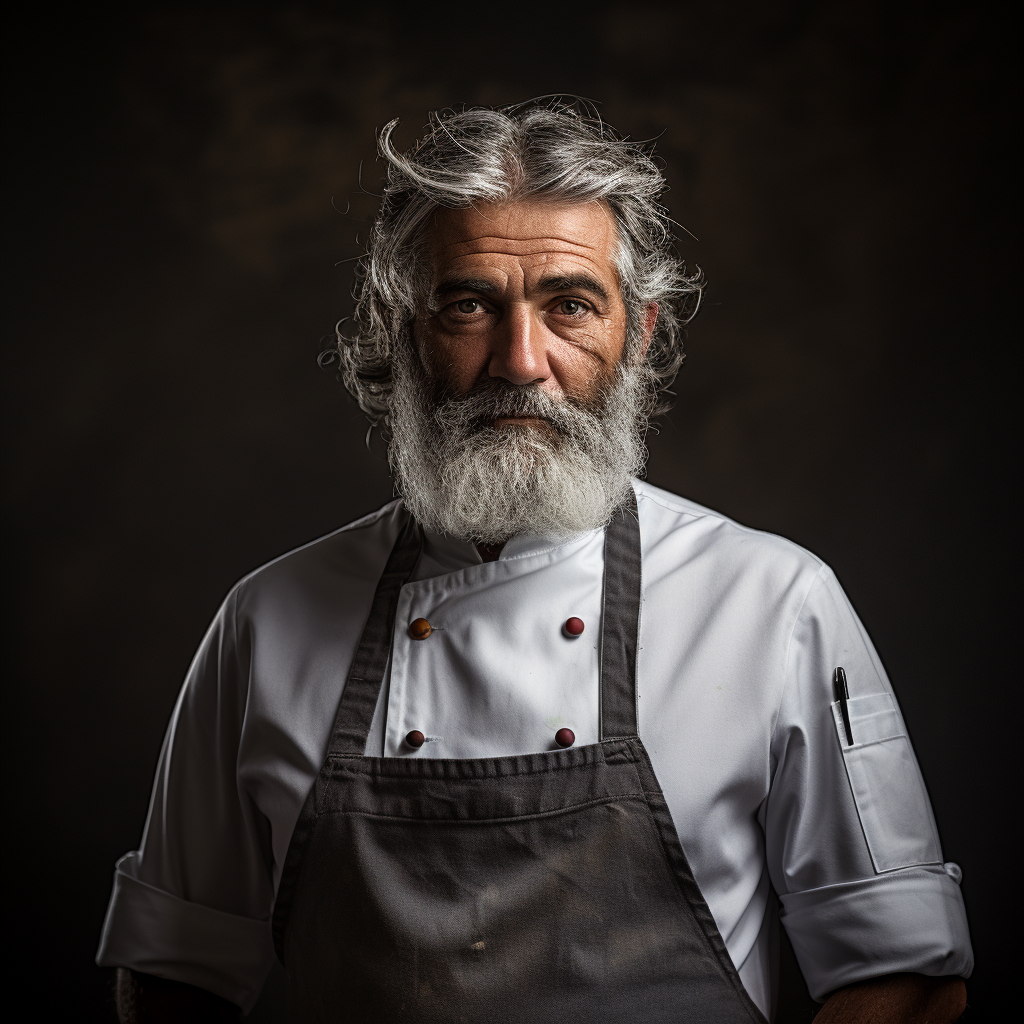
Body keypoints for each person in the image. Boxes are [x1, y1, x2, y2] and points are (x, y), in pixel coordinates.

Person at [97, 100, 972, 1023]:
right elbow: (173, 980)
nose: (522, 362)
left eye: (570, 305)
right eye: (469, 304)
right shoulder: (265, 622)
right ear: (400, 334)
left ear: (639, 332)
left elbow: (904, 980)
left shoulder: (772, 602)